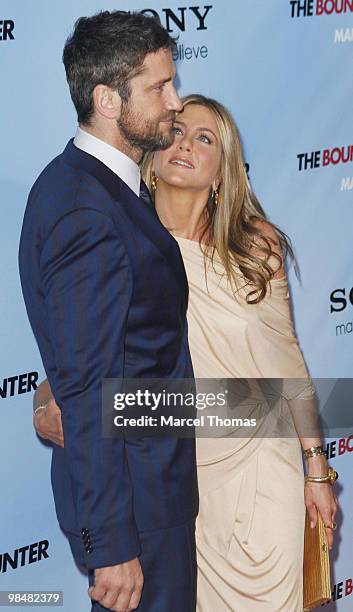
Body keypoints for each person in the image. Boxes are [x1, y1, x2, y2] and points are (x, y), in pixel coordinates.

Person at [33, 95, 338, 611]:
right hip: (174, 482)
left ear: (224, 171)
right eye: (176, 132)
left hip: (262, 470)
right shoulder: (120, 238)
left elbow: (288, 363)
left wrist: (315, 469)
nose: (184, 145)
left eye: (205, 139)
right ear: (152, 155)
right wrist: (45, 402)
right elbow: (78, 354)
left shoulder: (257, 247)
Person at [19, 12, 199, 612]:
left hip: (148, 493)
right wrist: (113, 544)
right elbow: (90, 386)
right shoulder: (85, 212)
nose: (176, 101)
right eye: (159, 88)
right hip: (135, 512)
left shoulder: (97, 185)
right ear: (106, 98)